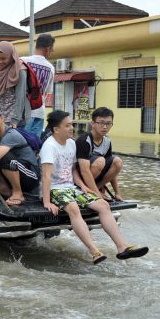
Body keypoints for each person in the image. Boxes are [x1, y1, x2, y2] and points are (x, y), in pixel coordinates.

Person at [40, 110, 148, 264]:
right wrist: (46, 202)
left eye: (71, 124)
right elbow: (46, 176)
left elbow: (73, 171)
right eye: (68, 125)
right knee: (73, 208)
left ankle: (122, 247)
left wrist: (83, 186)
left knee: (103, 205)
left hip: (71, 187)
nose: (72, 128)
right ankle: (94, 251)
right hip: (55, 189)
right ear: (56, 129)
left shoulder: (71, 143)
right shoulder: (49, 146)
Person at [75, 107, 124, 201]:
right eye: (101, 123)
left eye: (108, 123)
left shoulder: (107, 141)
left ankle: (96, 188)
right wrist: (98, 195)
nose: (105, 127)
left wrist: (117, 193)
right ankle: (92, 191)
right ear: (93, 124)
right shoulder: (84, 141)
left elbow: (112, 169)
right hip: (80, 178)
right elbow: (84, 171)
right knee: (101, 161)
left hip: (95, 179)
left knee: (118, 161)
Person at [21, 34, 56, 137]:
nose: (52, 51)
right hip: (39, 111)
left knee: (21, 143)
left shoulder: (23, 61)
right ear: (48, 48)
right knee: (34, 144)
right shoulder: (50, 68)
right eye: (52, 48)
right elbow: (48, 91)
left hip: (24, 112)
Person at [0, 41, 30, 128]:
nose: (0, 62)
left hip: (16, 121)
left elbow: (21, 96)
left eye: (4, 58)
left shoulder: (20, 70)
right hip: (1, 118)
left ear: (11, 56)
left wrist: (15, 120)